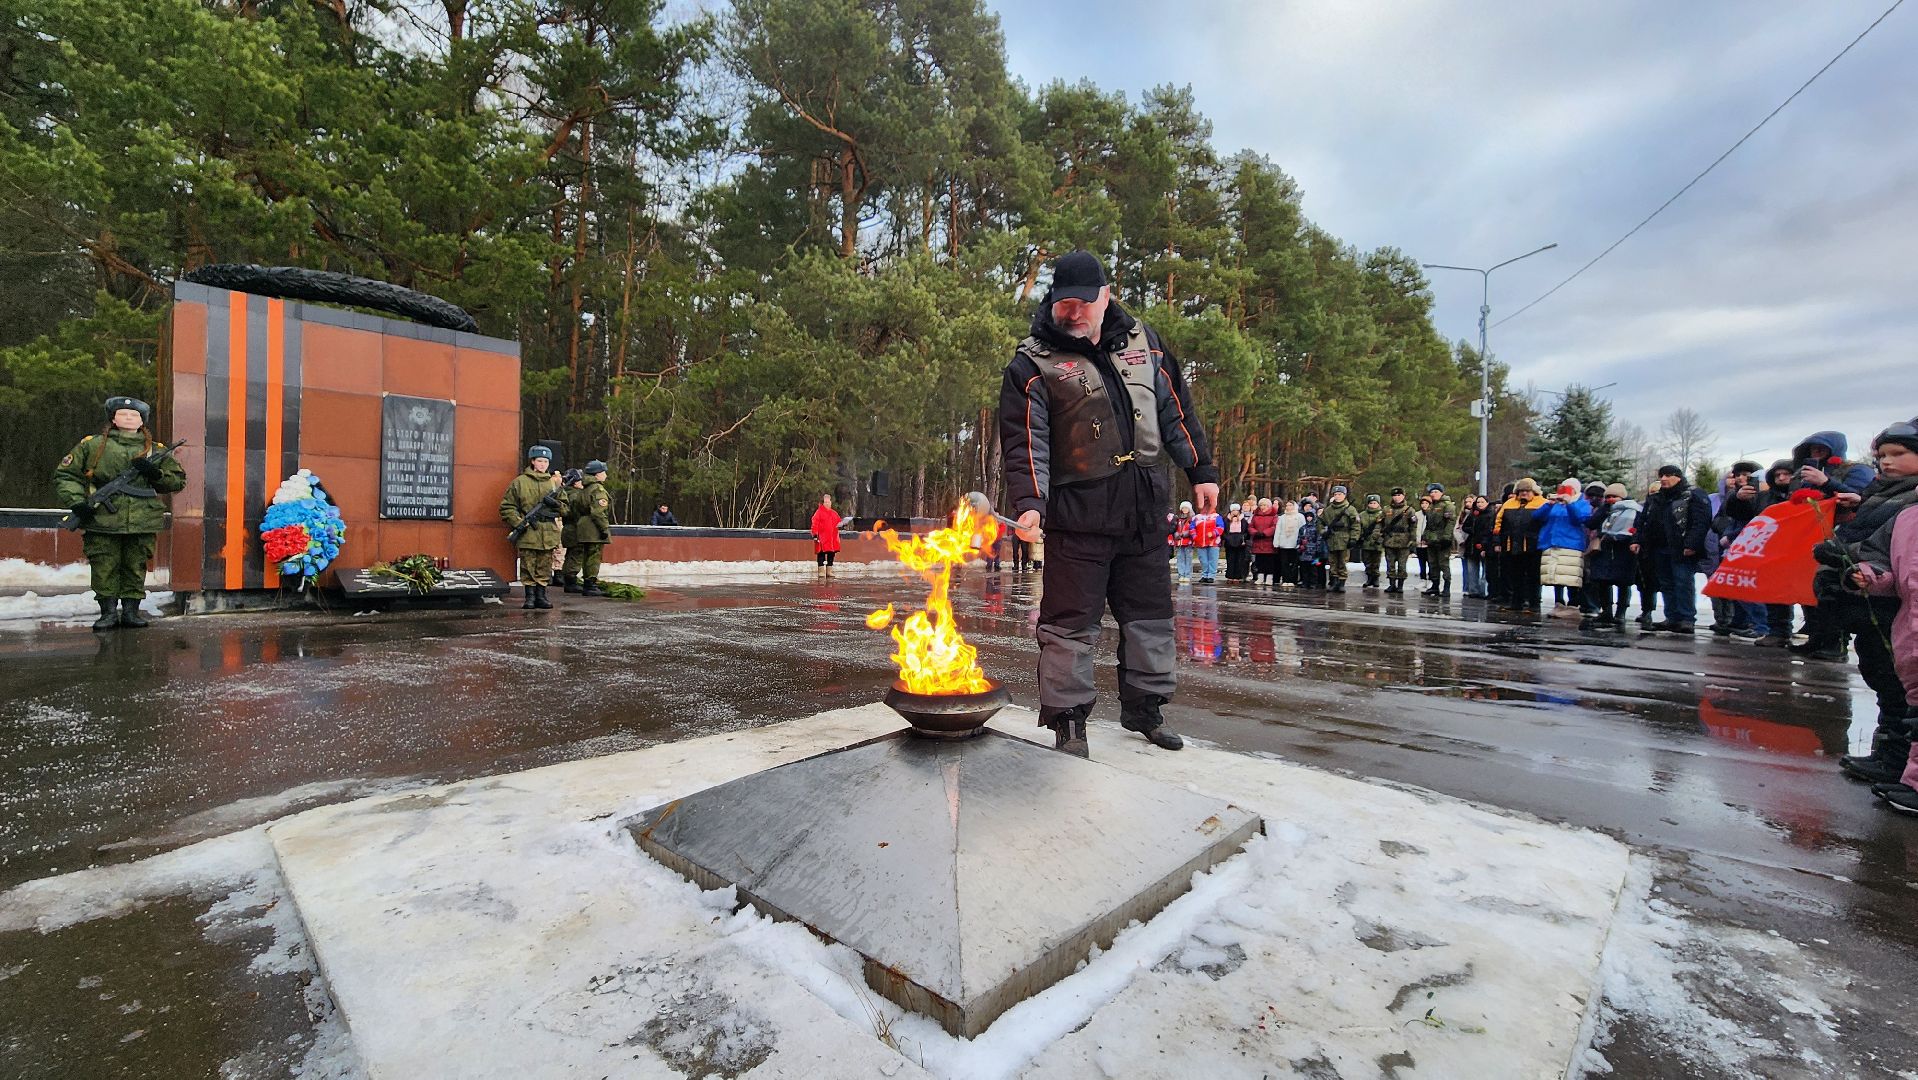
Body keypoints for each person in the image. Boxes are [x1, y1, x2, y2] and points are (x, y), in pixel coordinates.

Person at [1000, 249, 1218, 756]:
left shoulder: (1147, 343)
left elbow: (1175, 411)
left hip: (1143, 508)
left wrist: (1199, 469)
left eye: (1081, 302)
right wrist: (1031, 502)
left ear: (1106, 297)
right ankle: (1068, 720)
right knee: (1069, 623)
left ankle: (1146, 710)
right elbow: (1024, 441)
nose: (1071, 313)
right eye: (1062, 303)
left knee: (1150, 617)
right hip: (1078, 515)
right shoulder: (1032, 363)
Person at [1811, 420, 1918, 780]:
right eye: (1882, 455)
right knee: (1881, 676)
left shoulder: (1911, 498)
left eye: (1898, 454)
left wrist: (1845, 554)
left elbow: (1892, 549)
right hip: (1874, 596)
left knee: (1899, 683)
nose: (1886, 462)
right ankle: (1887, 752)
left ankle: (1899, 761)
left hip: (1898, 605)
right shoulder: (1884, 491)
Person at [52, 395, 187, 630]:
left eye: (134, 415)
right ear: (113, 419)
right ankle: (107, 613)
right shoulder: (93, 445)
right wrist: (77, 502)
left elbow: (176, 481)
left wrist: (155, 474)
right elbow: (66, 475)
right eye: (122, 414)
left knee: (135, 566)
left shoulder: (155, 451)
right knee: (104, 565)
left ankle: (132, 612)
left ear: (142, 421)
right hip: (102, 517)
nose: (128, 418)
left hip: (142, 519)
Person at [1853, 500, 1918, 814]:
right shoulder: (1907, 516)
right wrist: (1869, 576)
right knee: (1915, 709)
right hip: (1910, 628)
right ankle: (1914, 782)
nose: (1887, 462)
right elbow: (1884, 561)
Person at [1636, 465, 1711, 632]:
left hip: (1681, 548)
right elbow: (1644, 521)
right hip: (1659, 548)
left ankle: (1687, 618)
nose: (1663, 479)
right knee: (1666, 583)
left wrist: (1692, 544)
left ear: (1678, 477)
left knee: (1683, 582)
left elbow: (1701, 522)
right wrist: (1639, 540)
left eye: (1668, 475)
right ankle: (1672, 617)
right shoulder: (1656, 498)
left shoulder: (1692, 495)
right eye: (1661, 475)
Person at [500, 445, 563, 609]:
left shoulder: (554, 484)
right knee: (528, 566)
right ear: (533, 462)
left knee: (544, 566)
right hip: (528, 531)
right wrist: (519, 522)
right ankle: (529, 597)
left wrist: (556, 504)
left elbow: (567, 507)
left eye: (546, 461)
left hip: (548, 531)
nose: (543, 464)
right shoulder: (520, 482)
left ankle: (541, 596)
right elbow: (507, 507)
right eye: (540, 461)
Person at [1534, 479, 1592, 617]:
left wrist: (1570, 503)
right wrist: (1549, 504)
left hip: (1571, 544)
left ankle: (1573, 604)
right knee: (1554, 576)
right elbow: (1537, 516)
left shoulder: (1582, 503)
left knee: (1570, 576)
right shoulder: (1556, 504)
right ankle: (1558, 603)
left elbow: (1579, 519)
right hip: (1552, 542)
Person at [1587, 483, 1641, 630]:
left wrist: (1619, 538)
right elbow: (1591, 524)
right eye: (1608, 497)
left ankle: (1620, 613)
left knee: (1623, 583)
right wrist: (1604, 510)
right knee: (1603, 581)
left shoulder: (1633, 510)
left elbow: (1635, 529)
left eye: (1614, 496)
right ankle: (1607, 611)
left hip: (1623, 550)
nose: (1611, 499)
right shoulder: (1606, 511)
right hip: (1605, 550)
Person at [1494, 478, 1548, 611]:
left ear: (1533, 491)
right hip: (1511, 545)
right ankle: (1516, 603)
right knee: (1515, 575)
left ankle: (1534, 603)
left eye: (1527, 490)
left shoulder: (1542, 503)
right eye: (1521, 491)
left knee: (1533, 576)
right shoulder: (1509, 504)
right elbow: (1498, 524)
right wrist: (1497, 541)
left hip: (1533, 546)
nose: (1524, 493)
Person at [563, 461, 613, 596]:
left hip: (583, 526)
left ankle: (587, 583)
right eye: (603, 473)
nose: (606, 475)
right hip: (593, 528)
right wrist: (604, 529)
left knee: (585, 555)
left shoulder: (584, 488)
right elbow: (598, 512)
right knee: (594, 556)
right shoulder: (597, 489)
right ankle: (590, 584)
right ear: (597, 474)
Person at [1318, 486, 1360, 592]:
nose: (1337, 496)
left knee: (1342, 562)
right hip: (1332, 539)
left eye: (1339, 494)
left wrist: (1353, 538)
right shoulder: (1328, 510)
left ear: (1344, 495)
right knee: (1332, 562)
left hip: (1344, 538)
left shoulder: (1350, 509)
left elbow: (1356, 525)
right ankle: (1334, 582)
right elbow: (1320, 522)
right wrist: (1323, 532)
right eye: (1335, 494)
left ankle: (1341, 583)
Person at [1421, 483, 1457, 598]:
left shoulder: (1448, 505)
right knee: (1433, 564)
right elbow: (1429, 524)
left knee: (1443, 564)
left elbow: (1450, 523)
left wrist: (1446, 538)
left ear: (1441, 492)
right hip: (1432, 540)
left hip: (1442, 540)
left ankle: (1446, 588)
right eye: (1431, 492)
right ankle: (1435, 586)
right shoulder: (1431, 507)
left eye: (1435, 492)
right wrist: (1424, 536)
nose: (1433, 494)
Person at [1379, 488, 1416, 594]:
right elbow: (1380, 524)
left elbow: (1413, 527)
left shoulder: (1409, 510)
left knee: (1402, 565)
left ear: (1403, 496)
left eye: (1399, 495)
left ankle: (1400, 585)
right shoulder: (1386, 509)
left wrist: (1412, 540)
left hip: (1404, 541)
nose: (1397, 497)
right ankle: (1392, 584)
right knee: (1390, 564)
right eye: (1395, 496)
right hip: (1389, 540)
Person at [556, 468, 586, 592]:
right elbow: (577, 513)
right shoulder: (575, 495)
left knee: (570, 555)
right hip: (575, 529)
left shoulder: (564, 493)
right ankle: (570, 582)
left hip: (569, 529)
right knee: (575, 555)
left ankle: (569, 580)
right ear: (575, 482)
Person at [1460, 495, 1492, 598]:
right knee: (1472, 570)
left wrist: (1483, 544)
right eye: (1478, 502)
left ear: (1487, 503)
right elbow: (1465, 527)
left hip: (1484, 545)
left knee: (1485, 570)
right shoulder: (1472, 515)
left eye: (1482, 502)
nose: (1480, 504)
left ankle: (1484, 591)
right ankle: (1473, 590)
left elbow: (1488, 531)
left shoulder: (1490, 515)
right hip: (1472, 546)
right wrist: (1473, 530)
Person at [810, 494, 844, 573]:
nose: (827, 504)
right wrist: (815, 534)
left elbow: (838, 522)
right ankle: (821, 571)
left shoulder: (834, 513)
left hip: (832, 538)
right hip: (822, 538)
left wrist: (843, 523)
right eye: (826, 502)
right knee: (821, 554)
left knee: (831, 554)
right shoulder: (819, 513)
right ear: (823, 503)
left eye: (829, 502)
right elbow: (814, 524)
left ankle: (829, 571)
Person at [1275, 499, 1305, 586]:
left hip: (1295, 543)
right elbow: (1278, 530)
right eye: (1287, 505)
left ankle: (1293, 580)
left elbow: (1302, 530)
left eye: (1290, 505)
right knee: (1284, 563)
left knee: (1294, 563)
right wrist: (1276, 542)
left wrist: (1301, 543)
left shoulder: (1300, 517)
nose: (1288, 507)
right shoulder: (1282, 517)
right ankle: (1285, 579)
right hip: (1284, 543)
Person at [1249, 497, 1278, 585]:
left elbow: (1274, 527)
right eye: (1261, 505)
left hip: (1268, 541)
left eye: (1265, 505)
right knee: (1259, 561)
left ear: (1269, 506)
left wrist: (1265, 533)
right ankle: (1260, 577)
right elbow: (1250, 526)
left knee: (1269, 561)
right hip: (1258, 541)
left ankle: (1269, 578)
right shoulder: (1255, 516)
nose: (1263, 507)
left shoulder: (1274, 516)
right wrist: (1255, 533)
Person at [1358, 493, 1385, 589]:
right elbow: (1359, 527)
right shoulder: (1362, 515)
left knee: (1376, 561)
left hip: (1378, 542)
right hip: (1366, 541)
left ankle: (1376, 578)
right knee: (1367, 561)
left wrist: (1380, 538)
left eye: (1375, 503)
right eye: (1371, 503)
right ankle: (1369, 577)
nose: (1372, 505)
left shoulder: (1382, 514)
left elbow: (1385, 528)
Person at [1192, 502, 1223, 584]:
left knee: (1213, 559)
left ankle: (1211, 576)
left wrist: (1213, 534)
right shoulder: (1197, 518)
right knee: (1203, 560)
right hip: (1200, 542)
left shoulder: (1216, 516)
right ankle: (1204, 575)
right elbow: (1192, 528)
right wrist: (1195, 537)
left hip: (1213, 542)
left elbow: (1220, 527)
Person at [1221, 503, 1251, 582]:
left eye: (1236, 510)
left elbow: (1247, 531)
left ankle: (1238, 576)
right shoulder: (1226, 520)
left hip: (1240, 543)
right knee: (1230, 560)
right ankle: (1230, 576)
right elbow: (1223, 531)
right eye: (1233, 510)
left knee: (1239, 560)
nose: (1235, 512)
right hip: (1229, 542)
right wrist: (1227, 538)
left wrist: (1242, 538)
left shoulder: (1243, 520)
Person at [1169, 501, 1197, 582]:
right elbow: (1174, 528)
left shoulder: (1192, 518)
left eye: (1186, 508)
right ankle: (1181, 574)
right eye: (1183, 508)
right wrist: (1176, 534)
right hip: (1179, 542)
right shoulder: (1178, 519)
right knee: (1180, 559)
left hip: (1188, 542)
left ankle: (1187, 575)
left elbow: (1193, 529)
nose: (1185, 509)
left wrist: (1186, 533)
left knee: (1188, 559)